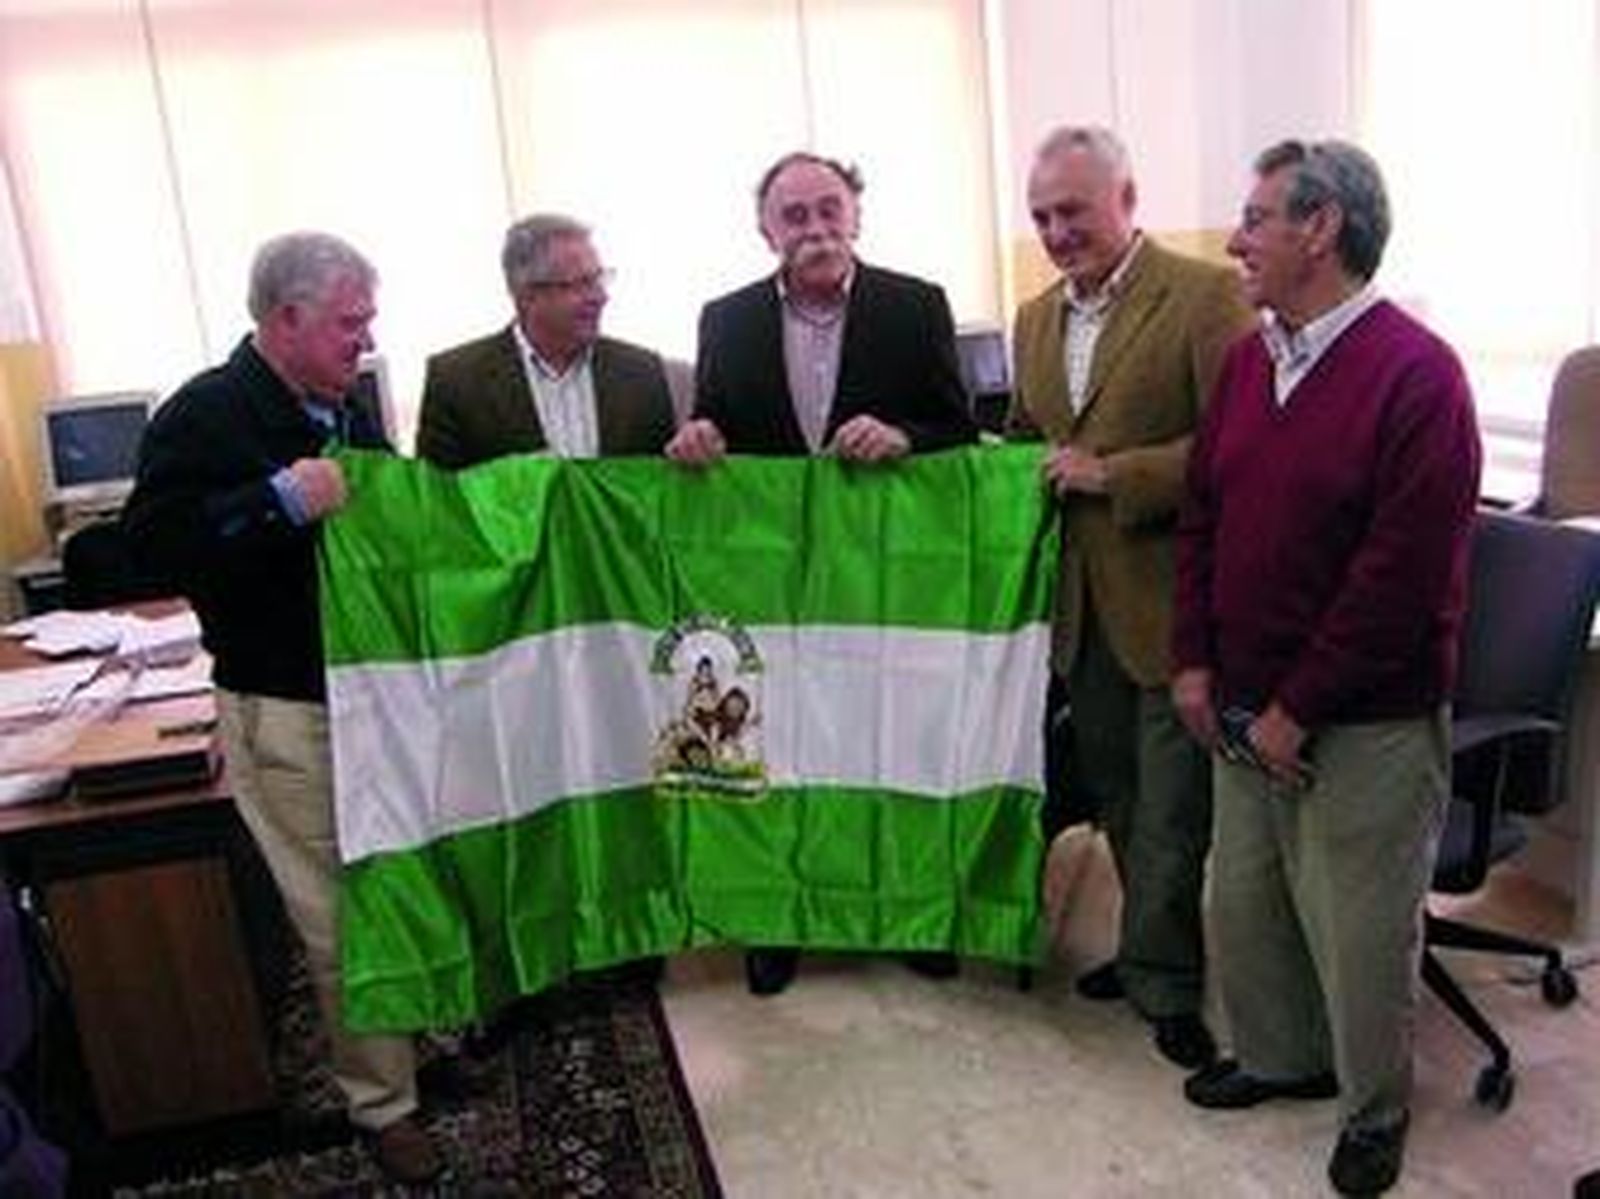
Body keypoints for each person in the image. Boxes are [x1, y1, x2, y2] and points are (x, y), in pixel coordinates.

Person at [1171, 141, 1480, 1197]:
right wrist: (1194, 661)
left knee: (1358, 926)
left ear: (1321, 228)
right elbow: (1203, 516)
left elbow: (1399, 581)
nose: (1233, 239)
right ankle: (1276, 1057)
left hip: (1363, 716)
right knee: (1246, 898)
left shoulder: (1419, 374)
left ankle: (1371, 1109)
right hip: (1240, 699)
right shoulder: (1248, 359)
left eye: (1256, 217)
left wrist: (1298, 709)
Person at [123, 232, 446, 1184]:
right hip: (287, 706)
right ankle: (382, 1103)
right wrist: (273, 501)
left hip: (375, 700)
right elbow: (150, 550)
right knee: (340, 914)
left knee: (402, 880)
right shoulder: (205, 415)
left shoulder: (345, 405)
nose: (366, 337)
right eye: (351, 321)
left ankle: (413, 1040)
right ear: (285, 319)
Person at [666, 150, 977, 996]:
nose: (815, 229)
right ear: (765, 229)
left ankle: (910, 908)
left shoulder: (916, 306)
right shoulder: (723, 319)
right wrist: (697, 437)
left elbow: (957, 426)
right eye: (794, 215)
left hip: (886, 581)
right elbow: (712, 426)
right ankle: (779, 918)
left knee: (894, 740)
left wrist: (907, 435)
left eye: (829, 209)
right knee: (779, 745)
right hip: (772, 587)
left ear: (857, 215)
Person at [1006, 125, 1254, 1071]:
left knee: (1173, 812)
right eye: (1041, 216)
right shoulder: (1033, 317)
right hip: (1080, 612)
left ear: (1127, 196)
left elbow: (1240, 451)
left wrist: (1114, 474)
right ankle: (1149, 949)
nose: (1058, 231)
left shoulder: (1204, 295)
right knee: (1115, 792)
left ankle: (1169, 985)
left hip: (1174, 602)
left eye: (1073, 209)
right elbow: (1031, 436)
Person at [416, 214, 677, 467]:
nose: (600, 297)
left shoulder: (642, 373)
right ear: (526, 294)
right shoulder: (456, 382)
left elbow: (663, 490)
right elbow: (438, 500)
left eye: (599, 278)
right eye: (581, 284)